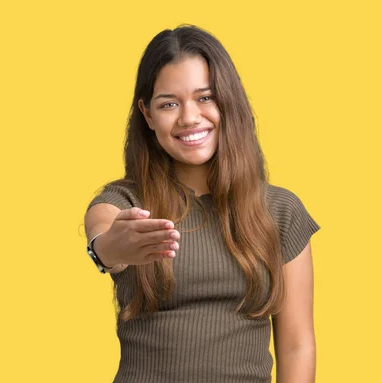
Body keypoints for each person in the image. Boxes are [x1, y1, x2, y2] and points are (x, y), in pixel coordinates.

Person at [84, 24, 320, 383]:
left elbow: (297, 344)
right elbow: (103, 233)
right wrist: (111, 249)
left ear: (228, 100)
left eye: (205, 97)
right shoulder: (126, 201)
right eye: (169, 104)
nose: (189, 117)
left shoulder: (281, 211)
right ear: (147, 115)